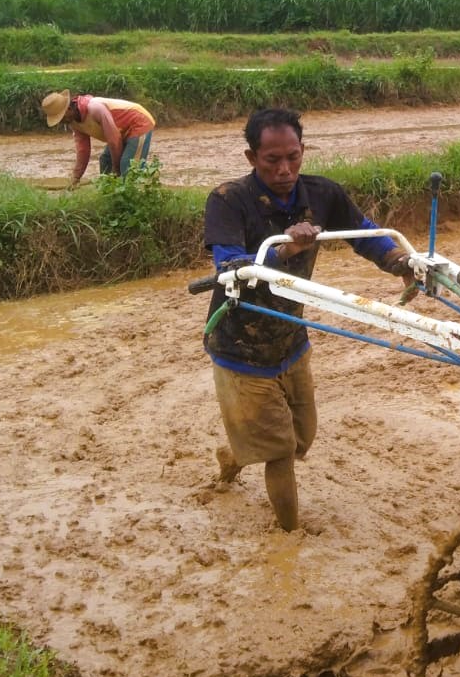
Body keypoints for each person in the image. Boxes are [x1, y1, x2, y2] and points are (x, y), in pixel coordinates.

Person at [202, 106, 414, 531]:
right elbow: (230, 267)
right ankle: (289, 537)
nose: (285, 169)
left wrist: (400, 261)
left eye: (293, 157)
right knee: (280, 454)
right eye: (272, 160)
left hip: (291, 341)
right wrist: (284, 250)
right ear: (251, 159)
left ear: (303, 150)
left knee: (300, 438)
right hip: (240, 344)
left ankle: (235, 456)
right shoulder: (228, 200)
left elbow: (365, 234)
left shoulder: (321, 195)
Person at [40, 91, 156, 185]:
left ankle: (132, 203)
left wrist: (116, 169)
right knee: (105, 161)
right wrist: (76, 177)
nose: (62, 123)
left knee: (127, 166)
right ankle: (109, 196)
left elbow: (114, 140)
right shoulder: (74, 122)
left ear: (69, 109)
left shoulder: (95, 109)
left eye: (62, 118)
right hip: (120, 131)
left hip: (138, 123)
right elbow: (83, 150)